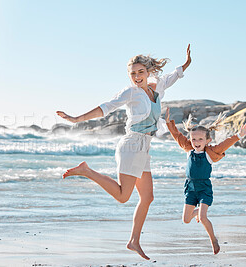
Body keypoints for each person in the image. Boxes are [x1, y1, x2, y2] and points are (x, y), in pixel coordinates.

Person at [56, 44, 192, 260]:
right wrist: (76, 119)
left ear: (148, 72)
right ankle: (86, 171)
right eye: (133, 73)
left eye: (140, 72)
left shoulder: (157, 89)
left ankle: (134, 241)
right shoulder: (131, 93)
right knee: (122, 196)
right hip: (131, 146)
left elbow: (174, 76)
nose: (137, 77)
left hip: (144, 148)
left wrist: (186, 63)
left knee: (147, 197)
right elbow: (106, 107)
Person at [165, 107, 246, 255]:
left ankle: (213, 240)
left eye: (200, 139)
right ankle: (197, 211)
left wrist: (238, 135)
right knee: (186, 219)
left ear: (208, 140)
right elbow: (177, 135)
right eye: (193, 139)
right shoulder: (188, 149)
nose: (196, 142)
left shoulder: (210, 153)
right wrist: (169, 123)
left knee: (203, 217)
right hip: (190, 188)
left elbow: (225, 144)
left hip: (204, 188)